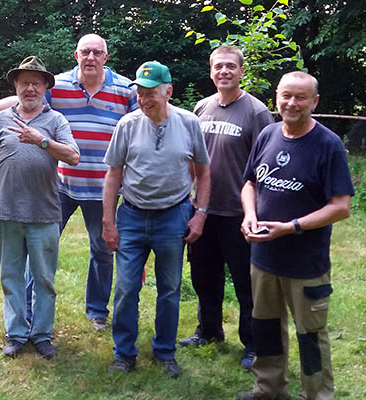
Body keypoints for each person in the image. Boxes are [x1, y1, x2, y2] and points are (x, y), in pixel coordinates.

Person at [0, 34, 137, 332]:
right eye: (85, 52)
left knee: (103, 250)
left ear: (106, 57)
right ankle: (27, 309)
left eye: (97, 52)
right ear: (76, 54)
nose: (91, 57)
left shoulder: (125, 89)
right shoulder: (61, 84)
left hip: (103, 187)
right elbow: (19, 100)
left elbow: (140, 124)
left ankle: (97, 311)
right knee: (37, 248)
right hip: (61, 186)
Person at [237, 71, 354, 400]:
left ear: (314, 102)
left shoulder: (328, 145)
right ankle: (268, 389)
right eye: (286, 95)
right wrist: (250, 215)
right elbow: (249, 183)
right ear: (277, 96)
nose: (291, 103)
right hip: (263, 258)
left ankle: (317, 395)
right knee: (266, 327)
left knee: (311, 336)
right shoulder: (268, 134)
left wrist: (292, 227)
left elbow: (341, 206)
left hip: (306, 263)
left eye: (300, 97)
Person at [0, 56, 80, 359]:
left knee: (44, 279)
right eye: (24, 82)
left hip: (44, 214)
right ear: (16, 86)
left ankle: (42, 334)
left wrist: (42, 141)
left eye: (36, 83)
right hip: (5, 213)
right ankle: (16, 334)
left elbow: (73, 156)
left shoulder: (56, 121)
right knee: (11, 277)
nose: (30, 88)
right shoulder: (0, 120)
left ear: (45, 87)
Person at [102, 61, 210, 377]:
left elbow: (204, 172)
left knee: (170, 288)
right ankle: (124, 354)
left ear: (168, 92)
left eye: (151, 93)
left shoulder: (189, 124)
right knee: (124, 288)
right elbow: (113, 176)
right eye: (140, 93)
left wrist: (199, 214)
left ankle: (165, 353)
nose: (144, 100)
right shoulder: (127, 124)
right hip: (132, 216)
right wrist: (108, 222)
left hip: (173, 216)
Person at [180, 45, 274, 370]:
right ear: (210, 71)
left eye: (230, 66)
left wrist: (257, 213)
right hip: (203, 209)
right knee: (204, 276)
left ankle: (253, 344)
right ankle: (209, 331)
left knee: (246, 283)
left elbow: (266, 166)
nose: (224, 71)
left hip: (239, 213)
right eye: (218, 66)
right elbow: (191, 157)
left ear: (241, 71)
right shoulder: (201, 108)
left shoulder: (256, 112)